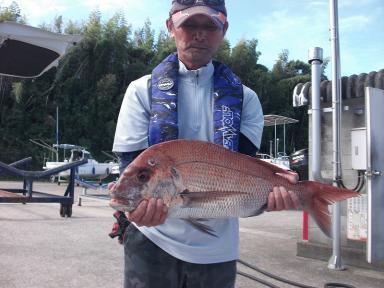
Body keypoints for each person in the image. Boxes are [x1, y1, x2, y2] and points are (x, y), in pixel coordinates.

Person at [110, 1, 300, 287]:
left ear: (223, 29)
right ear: (170, 26)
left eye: (209, 26)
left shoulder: (246, 99)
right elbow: (131, 169)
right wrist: (133, 208)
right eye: (189, 24)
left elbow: (243, 170)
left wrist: (272, 193)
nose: (199, 34)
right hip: (150, 242)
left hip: (217, 250)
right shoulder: (141, 91)